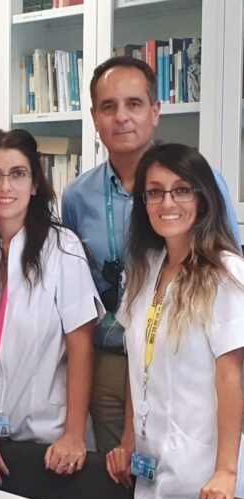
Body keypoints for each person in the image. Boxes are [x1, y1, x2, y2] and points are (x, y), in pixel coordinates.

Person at [61, 56, 241, 454]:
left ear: (155, 111)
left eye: (134, 104)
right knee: (120, 479)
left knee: (187, 470)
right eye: (108, 107)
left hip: (184, 356)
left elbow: (227, 270)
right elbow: (75, 284)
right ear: (94, 116)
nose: (121, 117)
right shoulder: (77, 196)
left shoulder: (202, 182)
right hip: (110, 356)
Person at [106, 143, 244, 499]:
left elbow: (231, 376)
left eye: (182, 189)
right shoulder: (146, 267)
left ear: (202, 198)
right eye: (155, 191)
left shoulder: (226, 272)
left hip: (203, 477)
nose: (168, 202)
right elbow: (139, 366)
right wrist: (128, 441)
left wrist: (225, 472)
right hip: (149, 470)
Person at [0, 129, 103, 486]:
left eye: (18, 174)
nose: (5, 186)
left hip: (48, 438)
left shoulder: (62, 248)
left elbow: (80, 346)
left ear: (35, 184)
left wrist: (73, 434)